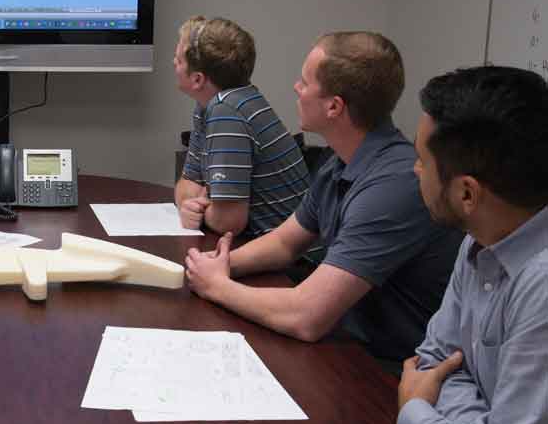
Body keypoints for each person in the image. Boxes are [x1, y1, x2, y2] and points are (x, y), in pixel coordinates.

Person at [184, 32, 462, 363]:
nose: (296, 89)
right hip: (351, 343)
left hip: (390, 369)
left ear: (334, 106)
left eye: (304, 82)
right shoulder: (340, 161)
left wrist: (218, 287)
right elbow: (285, 243)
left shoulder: (393, 186)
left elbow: (307, 317)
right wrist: (220, 265)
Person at [397, 66, 548, 424]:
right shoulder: (481, 239)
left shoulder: (542, 284)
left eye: (423, 159)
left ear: (467, 192)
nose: (415, 168)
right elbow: (434, 362)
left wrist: (417, 412)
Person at [173, 15, 311, 237]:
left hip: (290, 260)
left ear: (198, 79)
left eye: (178, 60)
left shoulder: (227, 111)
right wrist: (193, 202)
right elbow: (187, 183)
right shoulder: (213, 104)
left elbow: (228, 222)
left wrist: (198, 208)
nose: (173, 64)